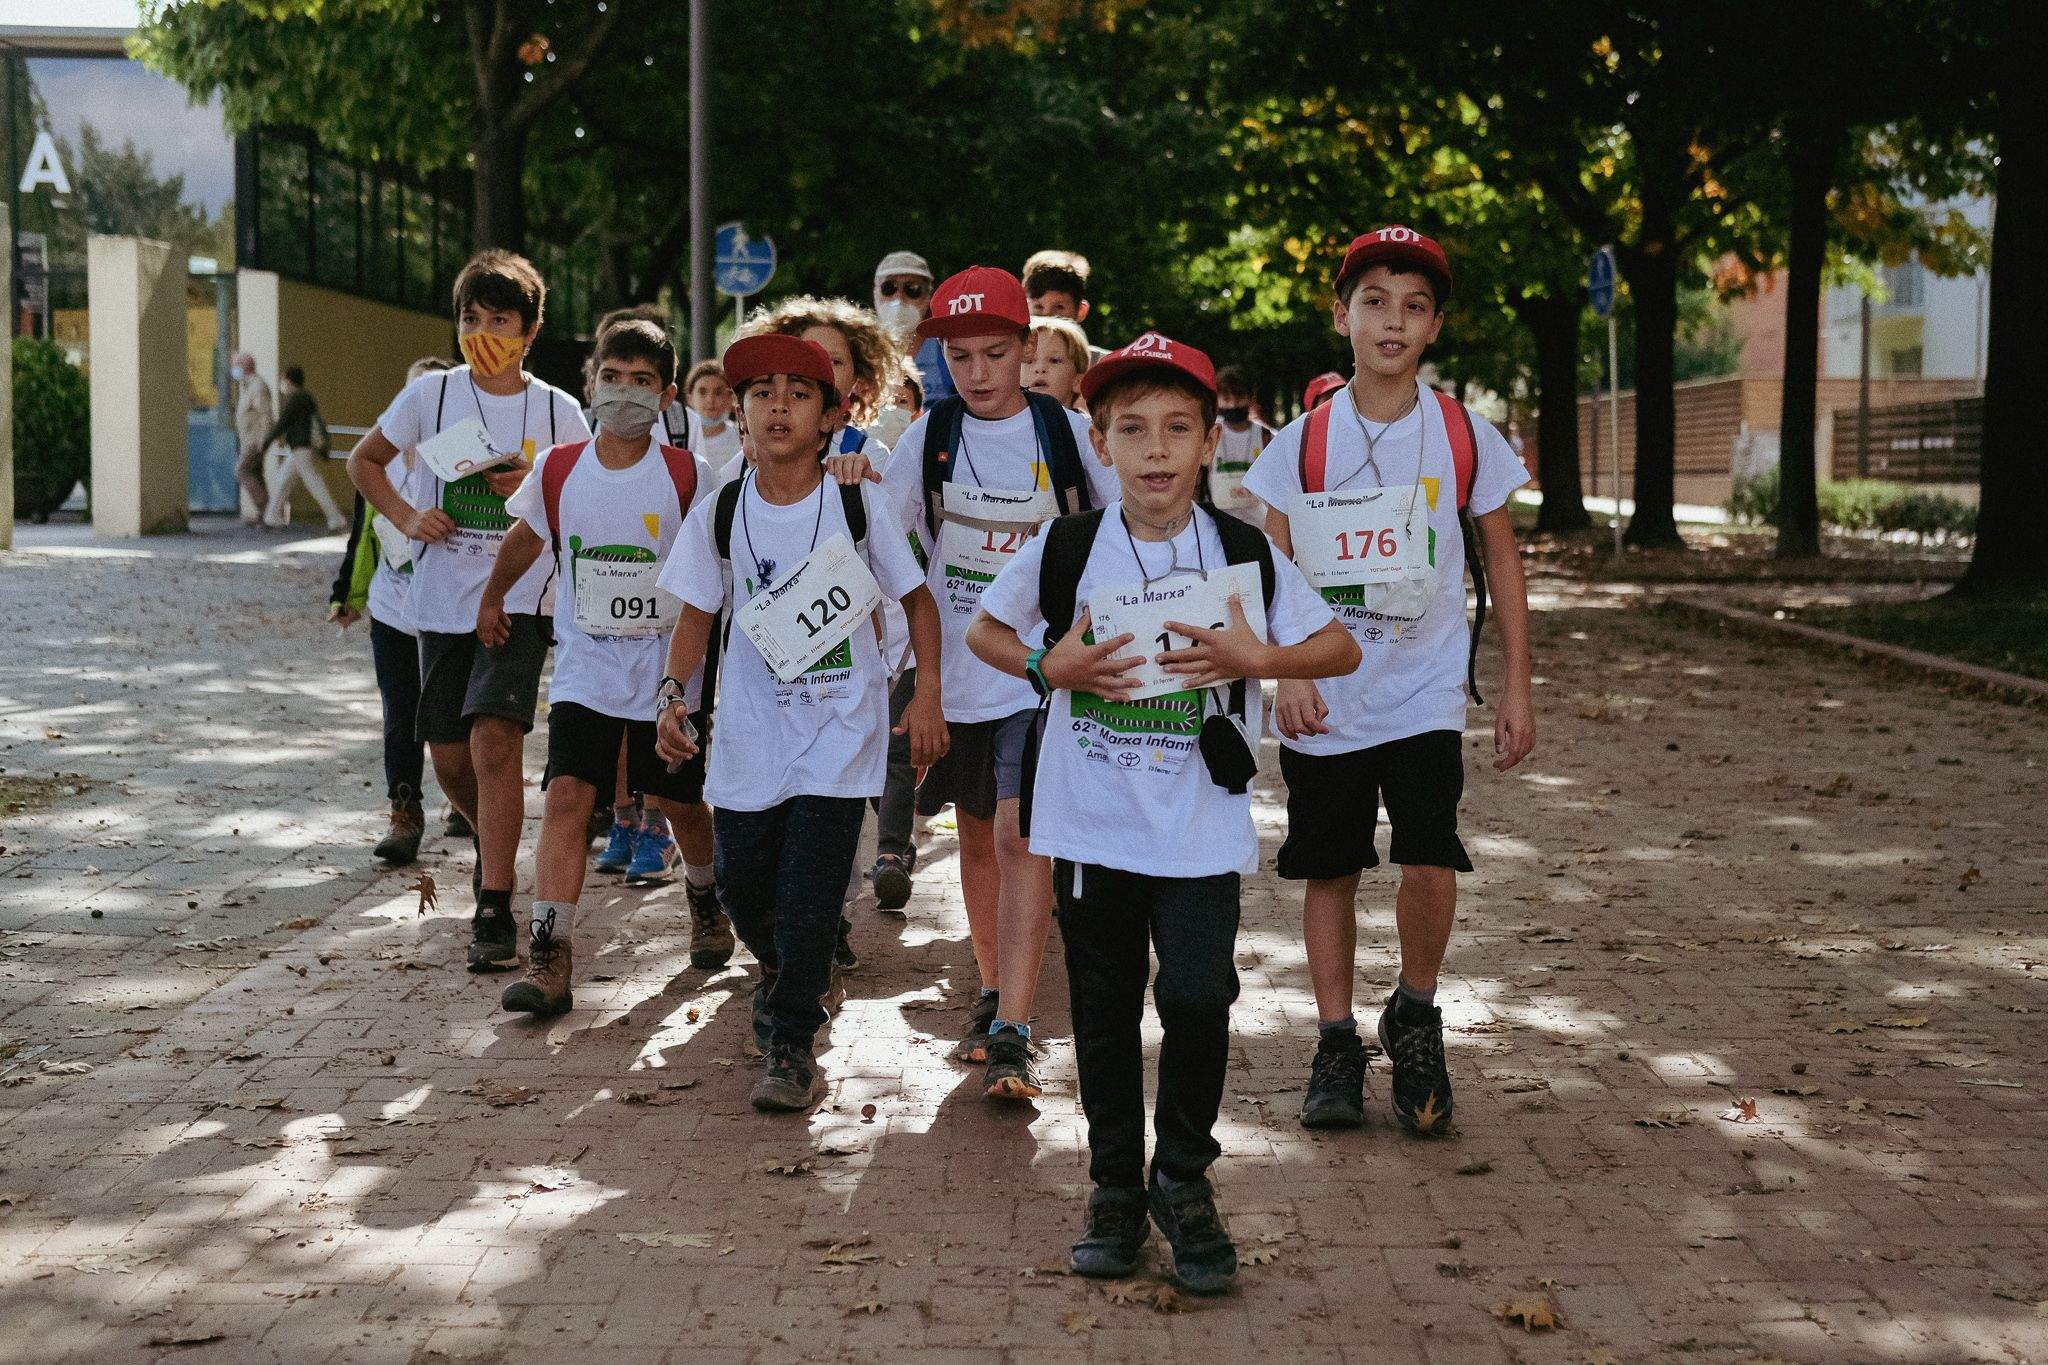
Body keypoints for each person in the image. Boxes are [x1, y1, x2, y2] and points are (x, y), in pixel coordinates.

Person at [965, 331, 1356, 1292]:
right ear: (1100, 443)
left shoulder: (1241, 551)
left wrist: (1254, 659)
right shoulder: (1066, 548)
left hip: (1197, 826)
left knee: (1194, 995)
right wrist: (1043, 666)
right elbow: (986, 627)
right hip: (1090, 821)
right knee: (1102, 1013)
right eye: (1131, 428)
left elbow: (1338, 646)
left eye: (1178, 427)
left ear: (1210, 441)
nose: (1154, 449)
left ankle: (1182, 1174)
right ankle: (1112, 1188)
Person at [1239, 226, 1536, 1136]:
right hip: (1328, 695)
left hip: (1425, 689)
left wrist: (1516, 682)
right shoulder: (1301, 443)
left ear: (1435, 326)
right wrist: (1282, 674)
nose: (1392, 322)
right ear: (1343, 315)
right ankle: (1335, 1040)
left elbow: (1503, 559)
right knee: (1327, 866)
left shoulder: (1463, 435)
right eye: (1374, 302)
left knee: (1429, 851)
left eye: (1413, 307)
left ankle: (1415, 1010)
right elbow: (1268, 566)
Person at [839, 264, 1119, 1098]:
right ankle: (995, 985)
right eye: (959, 357)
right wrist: (914, 674)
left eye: (995, 353)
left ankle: (1012, 1022)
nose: (977, 372)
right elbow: (889, 544)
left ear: (1028, 348)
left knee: (1018, 835)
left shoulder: (1065, 434)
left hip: (1044, 678)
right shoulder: (932, 436)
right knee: (974, 837)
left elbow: (1110, 539)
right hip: (960, 674)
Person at [654, 333, 946, 1111]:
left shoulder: (855, 500)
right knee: (748, 887)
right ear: (741, 414)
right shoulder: (720, 510)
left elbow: (918, 599)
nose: (777, 404)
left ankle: (790, 1041)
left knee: (812, 889)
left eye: (798, 392)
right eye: (761, 392)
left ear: (831, 418)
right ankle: (785, 969)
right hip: (748, 737)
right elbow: (694, 611)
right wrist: (672, 696)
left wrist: (927, 694)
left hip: (838, 733)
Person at [346, 249, 590, 973]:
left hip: (521, 596)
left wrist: (533, 483)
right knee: (450, 753)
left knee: (494, 743)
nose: (484, 330)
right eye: (471, 317)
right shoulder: (432, 398)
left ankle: (493, 905)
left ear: (531, 328)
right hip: (441, 602)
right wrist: (408, 512)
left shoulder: (558, 411)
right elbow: (364, 460)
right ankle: (493, 841)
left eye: (501, 319)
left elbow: (585, 493)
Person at [476, 319, 723, 1014]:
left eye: (642, 380)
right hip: (585, 668)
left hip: (666, 678)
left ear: (667, 394)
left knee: (678, 802)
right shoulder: (559, 467)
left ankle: (705, 895)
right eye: (612, 376)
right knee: (567, 798)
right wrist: (494, 595)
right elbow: (528, 535)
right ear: (591, 383)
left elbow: (708, 576)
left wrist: (687, 679)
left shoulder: (686, 475)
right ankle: (549, 953)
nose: (624, 392)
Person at [739, 296, 914, 944]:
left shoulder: (869, 468)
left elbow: (897, 571)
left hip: (844, 678)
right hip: (763, 687)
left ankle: (821, 929)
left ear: (850, 385)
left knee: (828, 809)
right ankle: (783, 936)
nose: (815, 369)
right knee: (765, 827)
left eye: (831, 361)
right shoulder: (744, 467)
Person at [329, 355, 452, 864]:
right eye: (409, 396)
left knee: (450, 718)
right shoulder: (376, 465)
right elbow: (362, 539)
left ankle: (467, 804)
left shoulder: (458, 462)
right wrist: (347, 595)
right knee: (400, 714)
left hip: (450, 611)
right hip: (392, 605)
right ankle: (405, 814)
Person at [259, 366, 347, 531]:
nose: (282, 383)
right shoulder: (305, 397)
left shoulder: (297, 399)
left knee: (313, 483)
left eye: (283, 379)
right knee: (283, 481)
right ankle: (272, 517)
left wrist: (266, 442)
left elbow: (283, 422)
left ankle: (336, 519)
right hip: (300, 448)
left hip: (301, 447)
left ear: (289, 380)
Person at [873, 250, 955, 413]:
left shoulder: (949, 351)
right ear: (876, 292)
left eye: (912, 289)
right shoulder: (861, 352)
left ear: (927, 298)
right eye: (889, 288)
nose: (899, 298)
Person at [1206, 364, 1276, 526]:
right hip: (1218, 523)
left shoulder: (1268, 437)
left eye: (1238, 397)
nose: (1233, 405)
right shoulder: (1207, 435)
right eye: (1226, 398)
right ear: (1217, 399)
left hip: (1259, 526)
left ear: (1251, 397)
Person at [232, 352, 276, 526]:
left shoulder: (257, 387)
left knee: (241, 471)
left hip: (254, 440)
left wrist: (263, 439)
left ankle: (267, 511)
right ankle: (266, 514)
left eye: (236, 365)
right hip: (249, 439)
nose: (234, 369)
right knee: (256, 474)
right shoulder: (248, 386)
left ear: (245, 366)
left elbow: (266, 415)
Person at [683, 360, 742, 474]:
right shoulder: (680, 441)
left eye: (718, 392)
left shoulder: (743, 437)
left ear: (731, 397)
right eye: (702, 392)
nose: (710, 400)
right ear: (689, 398)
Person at [1024, 316, 1090, 410]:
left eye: (1054, 361)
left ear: (1078, 382)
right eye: (1029, 361)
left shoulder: (1084, 424)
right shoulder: (1000, 423)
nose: (1039, 368)